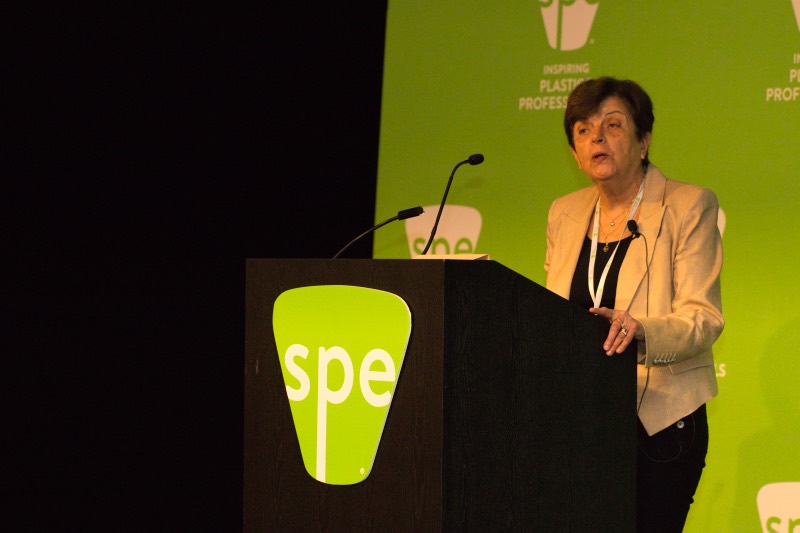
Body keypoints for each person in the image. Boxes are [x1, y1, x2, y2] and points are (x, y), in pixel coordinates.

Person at [544, 77, 724, 532]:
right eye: (583, 130)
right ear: (574, 153)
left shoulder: (688, 206)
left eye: (612, 125)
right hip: (582, 421)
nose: (596, 138)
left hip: (660, 421)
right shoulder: (563, 213)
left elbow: (703, 317)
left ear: (644, 142)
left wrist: (642, 330)